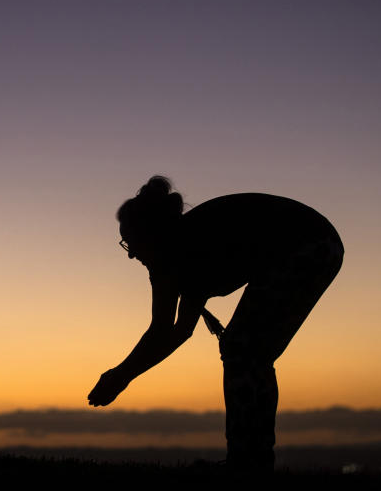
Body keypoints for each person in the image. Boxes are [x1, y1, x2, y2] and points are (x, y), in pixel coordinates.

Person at [88, 176, 344, 474]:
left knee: (242, 348)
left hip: (310, 244)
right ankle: (250, 459)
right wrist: (122, 376)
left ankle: (248, 462)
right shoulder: (166, 261)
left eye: (132, 242)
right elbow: (167, 330)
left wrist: (122, 375)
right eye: (126, 244)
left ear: (153, 233)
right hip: (311, 245)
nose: (131, 254)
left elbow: (174, 332)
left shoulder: (187, 246)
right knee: (246, 350)